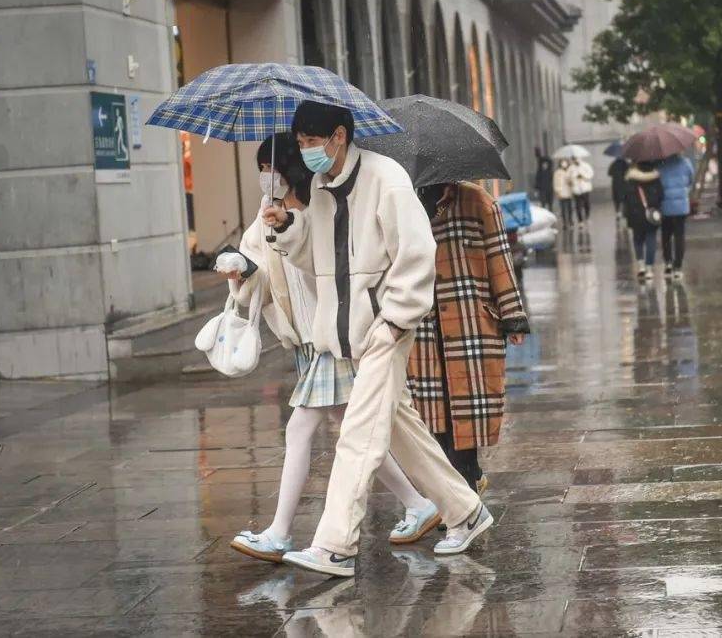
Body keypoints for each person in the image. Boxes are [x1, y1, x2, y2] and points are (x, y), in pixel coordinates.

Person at [262, 101, 490, 578]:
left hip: (385, 329)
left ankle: (334, 544)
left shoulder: (386, 178)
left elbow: (418, 251)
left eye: (310, 142)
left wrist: (394, 320)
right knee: (403, 433)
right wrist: (288, 230)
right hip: (345, 334)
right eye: (301, 144)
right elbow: (318, 264)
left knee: (358, 435)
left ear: (338, 136)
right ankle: (467, 511)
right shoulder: (322, 188)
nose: (305, 153)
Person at [223, 133, 435, 562]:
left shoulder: (322, 206)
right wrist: (243, 271)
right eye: (262, 168)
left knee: (300, 429)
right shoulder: (266, 218)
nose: (266, 176)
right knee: (355, 428)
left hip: (334, 337)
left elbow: (343, 267)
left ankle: (280, 532)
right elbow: (262, 280)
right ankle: (420, 503)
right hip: (305, 341)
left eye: (272, 167)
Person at [406, 182, 529, 501]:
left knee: (464, 406)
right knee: (433, 412)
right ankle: (465, 484)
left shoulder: (477, 201)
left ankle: (462, 494)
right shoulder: (403, 201)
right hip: (423, 324)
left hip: (470, 320)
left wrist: (512, 313)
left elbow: (499, 258)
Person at [624, 160, 664, 282]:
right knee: (651, 239)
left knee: (637, 240)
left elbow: (626, 198)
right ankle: (649, 269)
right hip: (651, 214)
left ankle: (641, 267)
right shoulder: (656, 178)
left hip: (635, 215)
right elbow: (661, 196)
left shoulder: (631, 178)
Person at [659, 154, 695, 280]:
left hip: (665, 205)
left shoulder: (660, 164)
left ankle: (668, 263)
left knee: (666, 235)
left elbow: (657, 182)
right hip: (681, 205)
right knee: (679, 236)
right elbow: (691, 179)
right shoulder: (685, 162)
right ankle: (678, 267)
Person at [570, 157, 594, 225]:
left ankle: (587, 217)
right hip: (576, 189)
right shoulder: (571, 168)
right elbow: (569, 177)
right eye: (574, 159)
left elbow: (591, 174)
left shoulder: (586, 165)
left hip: (585, 188)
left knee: (587, 204)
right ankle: (580, 221)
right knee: (578, 206)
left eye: (576, 159)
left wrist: (583, 176)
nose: (575, 160)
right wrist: (574, 177)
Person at [553, 158, 575, 227]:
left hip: (569, 192)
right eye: (562, 162)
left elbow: (573, 181)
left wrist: (571, 182)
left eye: (565, 162)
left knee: (570, 208)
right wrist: (557, 191)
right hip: (561, 192)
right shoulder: (557, 172)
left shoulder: (570, 171)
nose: (564, 164)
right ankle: (565, 222)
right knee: (563, 208)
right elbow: (555, 182)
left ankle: (570, 220)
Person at [608, 157, 629, 223]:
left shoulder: (613, 164)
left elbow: (609, 173)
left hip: (615, 184)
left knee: (616, 200)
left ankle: (617, 212)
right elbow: (628, 172)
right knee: (625, 200)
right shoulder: (626, 163)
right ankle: (624, 213)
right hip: (624, 184)